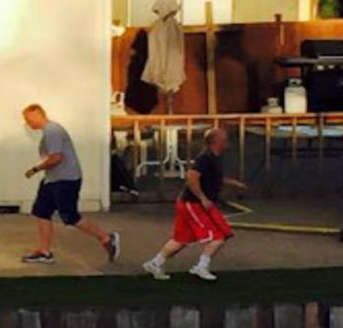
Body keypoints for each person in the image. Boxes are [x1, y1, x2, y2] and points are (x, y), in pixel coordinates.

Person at [143, 127, 247, 282]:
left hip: (193, 203)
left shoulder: (215, 157)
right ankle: (201, 266)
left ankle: (155, 263)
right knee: (219, 235)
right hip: (194, 204)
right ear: (217, 141)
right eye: (225, 139)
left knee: (181, 239)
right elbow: (192, 178)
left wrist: (233, 183)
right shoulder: (205, 158)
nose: (227, 141)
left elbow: (213, 177)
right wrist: (203, 198)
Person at [21, 104, 120, 264]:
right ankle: (44, 252)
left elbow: (56, 158)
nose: (27, 123)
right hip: (52, 180)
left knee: (70, 216)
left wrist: (35, 169)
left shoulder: (53, 131)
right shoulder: (49, 132)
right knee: (41, 211)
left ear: (37, 115)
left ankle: (106, 238)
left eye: (28, 119)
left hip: (66, 180)